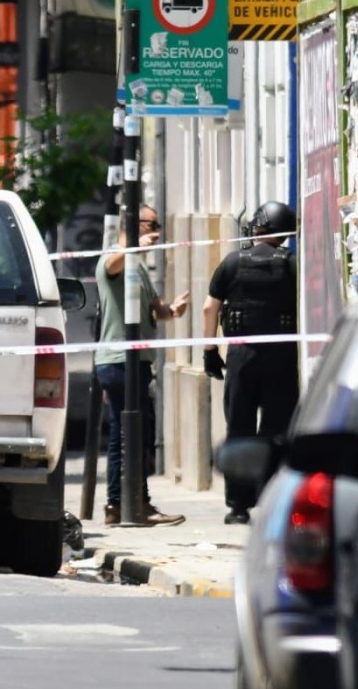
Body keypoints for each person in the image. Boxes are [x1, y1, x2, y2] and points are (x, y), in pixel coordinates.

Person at [202, 200, 299, 525]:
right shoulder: (292, 264)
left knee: (239, 429)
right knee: (276, 430)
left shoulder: (232, 262)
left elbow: (208, 309)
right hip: (282, 356)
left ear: (259, 227)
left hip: (241, 357)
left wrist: (209, 351)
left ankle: (238, 507)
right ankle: (271, 500)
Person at [95, 206, 190, 526]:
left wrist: (173, 310)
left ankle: (118, 504)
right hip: (120, 361)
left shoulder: (139, 269)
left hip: (136, 361)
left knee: (129, 434)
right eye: (153, 225)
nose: (158, 232)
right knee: (130, 434)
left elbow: (156, 310)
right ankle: (132, 504)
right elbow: (111, 264)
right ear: (135, 226)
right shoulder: (117, 259)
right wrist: (135, 247)